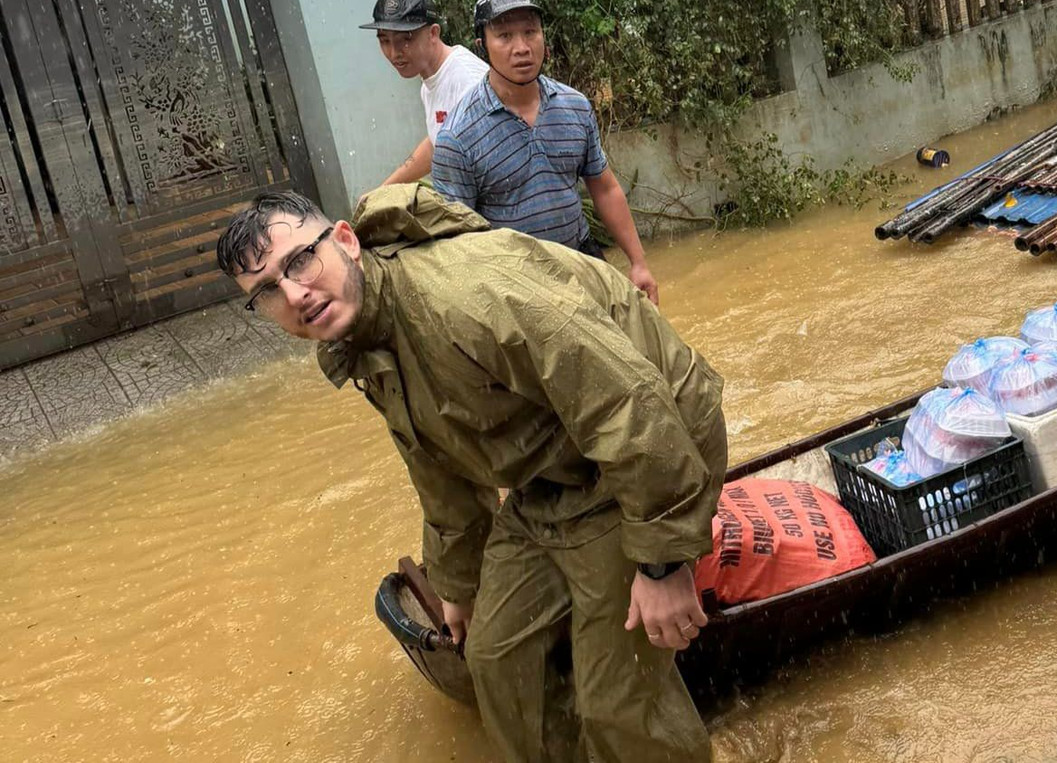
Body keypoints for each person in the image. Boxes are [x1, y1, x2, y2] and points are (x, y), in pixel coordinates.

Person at [215, 183, 725, 763]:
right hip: (549, 477)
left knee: (617, 700)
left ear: (346, 241)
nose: (295, 293)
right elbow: (437, 466)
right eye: (267, 292)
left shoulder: (465, 297)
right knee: (497, 659)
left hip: (650, 452)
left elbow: (629, 401)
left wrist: (662, 563)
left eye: (300, 261)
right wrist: (458, 587)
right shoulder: (362, 334)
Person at [431, 0, 660, 304]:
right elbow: (456, 244)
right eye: (505, 36)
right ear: (482, 46)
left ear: (543, 37)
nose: (522, 47)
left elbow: (604, 188)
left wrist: (638, 263)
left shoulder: (575, 107)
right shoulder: (457, 137)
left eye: (530, 32)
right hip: (518, 287)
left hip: (584, 261)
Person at [362, 0, 487, 187]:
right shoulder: (430, 80)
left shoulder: (468, 82)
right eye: (385, 41)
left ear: (433, 33)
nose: (394, 53)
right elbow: (435, 143)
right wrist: (384, 190)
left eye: (405, 40)